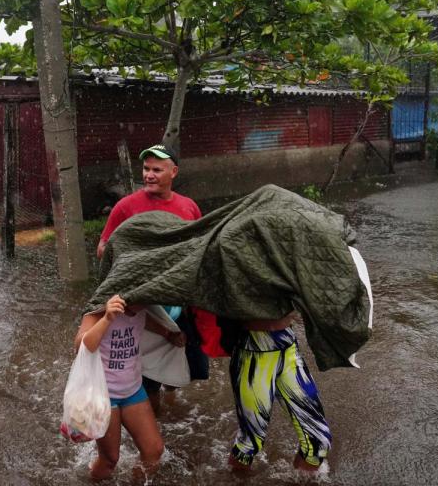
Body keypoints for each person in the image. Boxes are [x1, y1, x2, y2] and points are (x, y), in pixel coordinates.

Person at [97, 144, 212, 412]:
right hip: (145, 304)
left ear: (173, 172)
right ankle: (155, 422)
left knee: (181, 359)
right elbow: (104, 248)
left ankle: (172, 399)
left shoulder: (188, 207)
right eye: (146, 169)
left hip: (179, 299)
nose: (149, 174)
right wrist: (139, 257)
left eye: (157, 170)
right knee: (147, 377)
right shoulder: (127, 206)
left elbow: (200, 248)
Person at [75, 294, 182, 481]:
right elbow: (79, 348)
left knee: (154, 451)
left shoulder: (143, 310)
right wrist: (108, 318)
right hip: (104, 395)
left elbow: (145, 321)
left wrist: (168, 334)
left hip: (133, 390)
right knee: (110, 460)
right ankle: (91, 480)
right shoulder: (99, 310)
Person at [227, 313, 332, 474]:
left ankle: (302, 480)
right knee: (249, 444)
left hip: (289, 348)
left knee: (319, 442)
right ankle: (235, 479)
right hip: (252, 353)